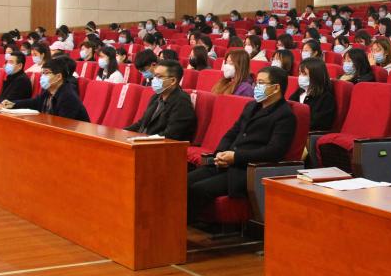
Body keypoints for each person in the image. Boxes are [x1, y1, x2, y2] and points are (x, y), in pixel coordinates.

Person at [187, 66, 296, 223]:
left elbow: (274, 151)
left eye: (261, 83)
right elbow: (233, 132)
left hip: (246, 170)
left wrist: (236, 157)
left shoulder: (285, 115)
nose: (256, 87)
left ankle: (183, 227)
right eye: (256, 83)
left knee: (199, 189)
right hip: (227, 162)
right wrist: (220, 152)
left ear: (276, 88)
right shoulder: (251, 106)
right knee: (185, 180)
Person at [125, 60, 197, 141]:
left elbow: (171, 135)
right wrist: (122, 132)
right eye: (154, 76)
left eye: (158, 77)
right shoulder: (156, 97)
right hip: (144, 141)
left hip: (161, 145)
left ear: (173, 81)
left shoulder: (182, 102)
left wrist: (141, 140)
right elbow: (142, 123)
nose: (154, 80)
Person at [4, 56, 89, 121]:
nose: (42, 77)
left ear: (58, 77)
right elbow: (35, 102)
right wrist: (14, 104)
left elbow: (63, 125)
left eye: (46, 73)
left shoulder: (68, 96)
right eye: (42, 73)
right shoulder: (49, 91)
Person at [290, 58, 336, 132]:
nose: (300, 77)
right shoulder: (299, 92)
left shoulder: (326, 98)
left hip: (307, 133)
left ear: (316, 76)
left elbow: (317, 123)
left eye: (304, 74)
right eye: (300, 73)